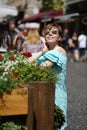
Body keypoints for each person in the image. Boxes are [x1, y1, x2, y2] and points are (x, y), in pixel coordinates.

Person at [27, 23, 68, 130]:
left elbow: (43, 68)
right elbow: (27, 62)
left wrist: (36, 61)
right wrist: (42, 52)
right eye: (47, 32)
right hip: (43, 90)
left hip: (55, 92)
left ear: (59, 37)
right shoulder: (47, 52)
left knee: (53, 123)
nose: (50, 34)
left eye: (54, 32)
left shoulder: (59, 51)